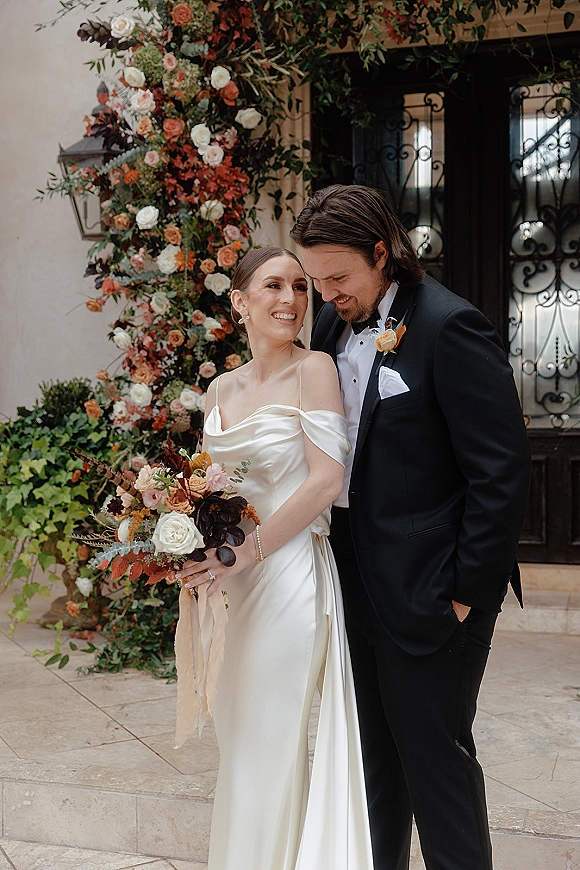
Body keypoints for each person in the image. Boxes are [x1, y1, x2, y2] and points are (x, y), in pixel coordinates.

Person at [290, 184, 531, 870]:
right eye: (316, 280)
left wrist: (463, 593)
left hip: (432, 592)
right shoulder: (336, 326)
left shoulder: (451, 326)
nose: (327, 294)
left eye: (338, 277)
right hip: (355, 588)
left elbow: (501, 472)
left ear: (382, 251)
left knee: (438, 770)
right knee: (374, 771)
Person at [175, 247, 375, 870]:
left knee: (271, 737)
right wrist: (188, 544)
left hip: (289, 576)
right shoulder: (220, 388)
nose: (290, 299)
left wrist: (250, 551)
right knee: (240, 738)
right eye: (272, 286)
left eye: (298, 286)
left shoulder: (314, 368)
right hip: (234, 581)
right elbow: (216, 493)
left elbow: (323, 482)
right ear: (239, 300)